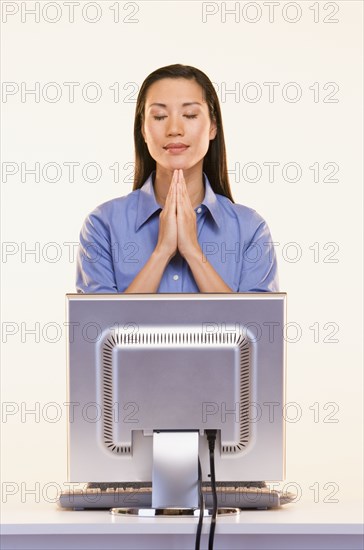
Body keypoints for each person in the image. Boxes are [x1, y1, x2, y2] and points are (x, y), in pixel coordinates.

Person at [76, 64, 279, 294]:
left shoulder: (250, 229)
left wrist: (193, 251)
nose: (174, 129)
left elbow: (257, 328)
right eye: (160, 116)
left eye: (190, 115)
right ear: (143, 130)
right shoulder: (103, 225)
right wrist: (161, 252)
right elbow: (99, 328)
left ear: (213, 126)